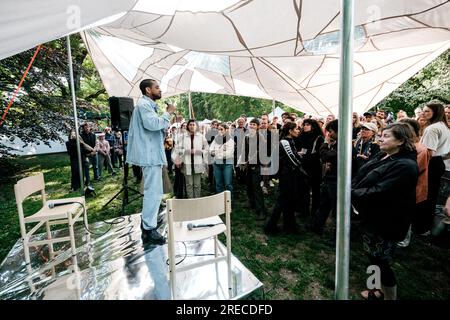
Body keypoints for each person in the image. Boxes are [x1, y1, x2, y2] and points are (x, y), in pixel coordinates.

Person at [352, 123, 418, 300]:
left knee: (380, 262)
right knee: (372, 257)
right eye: (380, 135)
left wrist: (350, 194)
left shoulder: (405, 165)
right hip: (372, 218)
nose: (380, 138)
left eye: (386, 136)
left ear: (401, 141)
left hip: (386, 222)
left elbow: (380, 192)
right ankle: (376, 290)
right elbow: (364, 175)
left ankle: (389, 297)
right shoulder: (384, 155)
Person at [126, 79, 176, 244]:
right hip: (150, 155)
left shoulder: (148, 105)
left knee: (154, 192)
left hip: (153, 154)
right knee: (152, 192)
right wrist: (168, 113)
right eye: (157, 87)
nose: (160, 90)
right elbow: (152, 124)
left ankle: (149, 223)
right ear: (148, 90)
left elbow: (155, 127)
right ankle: (148, 229)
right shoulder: (143, 105)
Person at [264, 122, 308, 235]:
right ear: (290, 131)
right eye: (297, 129)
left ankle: (289, 226)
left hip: (290, 175)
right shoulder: (284, 141)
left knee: (289, 201)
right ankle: (271, 227)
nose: (299, 131)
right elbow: (293, 159)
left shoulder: (290, 141)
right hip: (287, 176)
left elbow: (294, 156)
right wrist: (301, 164)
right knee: (282, 200)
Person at [420, 102, 450, 235]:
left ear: (436, 113)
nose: (423, 113)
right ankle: (425, 226)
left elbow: (429, 152)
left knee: (424, 195)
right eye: (423, 111)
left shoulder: (432, 128)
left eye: (427, 111)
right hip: (439, 162)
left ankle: (421, 227)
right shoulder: (445, 127)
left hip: (430, 162)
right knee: (431, 196)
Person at [172, 119, 209, 198]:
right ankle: (191, 202)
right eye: (190, 125)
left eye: (193, 125)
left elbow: (207, 149)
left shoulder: (201, 136)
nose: (192, 126)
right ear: (188, 126)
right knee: (189, 184)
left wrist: (198, 151)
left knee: (197, 184)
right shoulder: (182, 137)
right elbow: (176, 149)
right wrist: (186, 151)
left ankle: (197, 201)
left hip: (198, 163)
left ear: (196, 126)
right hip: (186, 163)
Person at [209, 123, 235, 194]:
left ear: (226, 130)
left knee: (228, 184)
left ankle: (229, 202)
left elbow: (228, 154)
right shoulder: (216, 139)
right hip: (217, 164)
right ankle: (220, 202)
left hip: (227, 164)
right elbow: (211, 149)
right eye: (218, 129)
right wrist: (216, 152)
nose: (219, 131)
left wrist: (216, 153)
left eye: (221, 129)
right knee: (218, 184)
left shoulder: (230, 140)